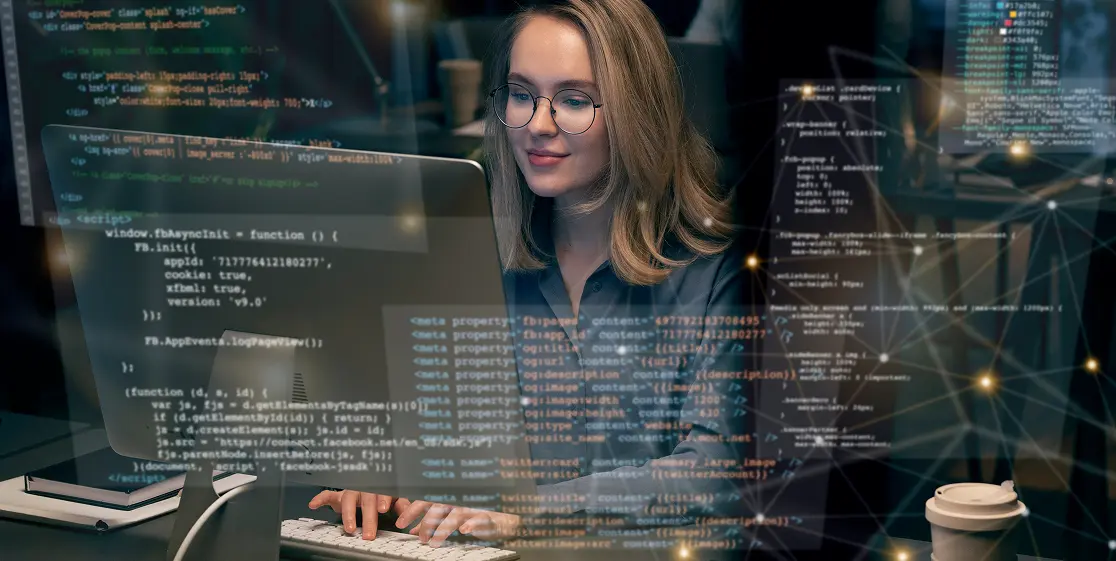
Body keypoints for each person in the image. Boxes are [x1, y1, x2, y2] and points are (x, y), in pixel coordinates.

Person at [310, 0, 756, 547]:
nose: (537, 125)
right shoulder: (472, 251)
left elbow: (717, 471)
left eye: (573, 100)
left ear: (638, 110)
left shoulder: (720, 270)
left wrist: (525, 510)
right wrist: (375, 470)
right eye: (521, 94)